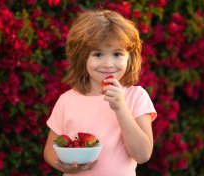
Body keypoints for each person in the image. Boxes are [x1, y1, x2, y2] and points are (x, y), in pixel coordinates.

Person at [43, 9, 157, 176]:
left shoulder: (136, 97)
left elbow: (142, 155)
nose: (108, 64)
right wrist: (62, 165)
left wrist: (120, 108)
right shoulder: (67, 101)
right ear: (82, 58)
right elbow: (50, 151)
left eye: (117, 54)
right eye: (97, 54)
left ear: (129, 57)